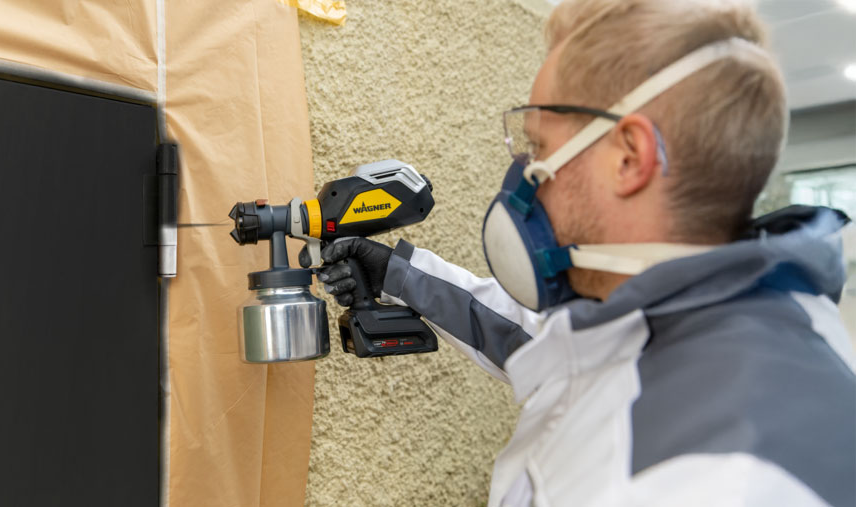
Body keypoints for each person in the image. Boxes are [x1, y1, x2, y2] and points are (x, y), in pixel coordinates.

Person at [302, 0, 856, 505]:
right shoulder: (710, 313)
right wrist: (398, 273)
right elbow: (538, 336)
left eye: (539, 145)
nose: (525, 172)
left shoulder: (706, 477)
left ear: (627, 158)